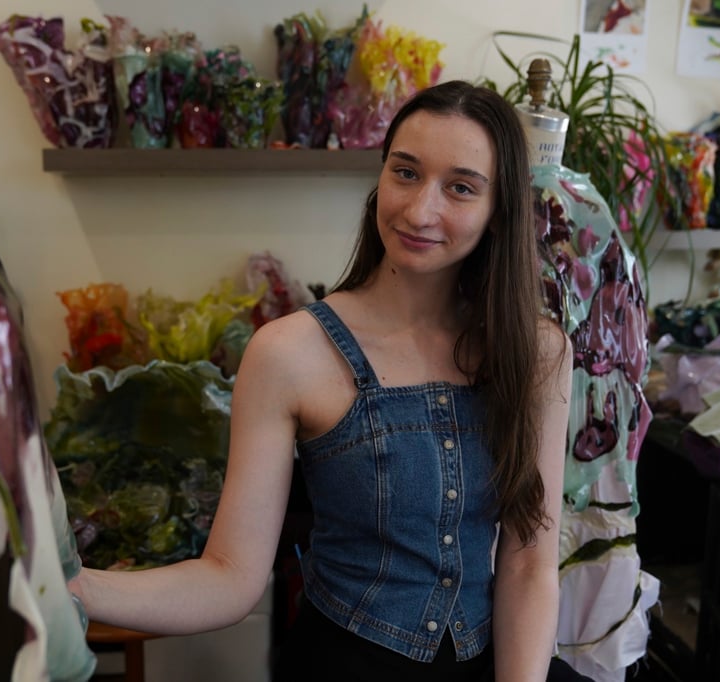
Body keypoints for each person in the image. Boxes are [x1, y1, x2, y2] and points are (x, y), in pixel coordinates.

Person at [69, 80, 577, 682]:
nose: (420, 210)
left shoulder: (536, 352)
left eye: (461, 187)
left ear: (499, 211)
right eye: (406, 173)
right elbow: (229, 577)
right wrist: (70, 586)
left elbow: (528, 565)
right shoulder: (289, 353)